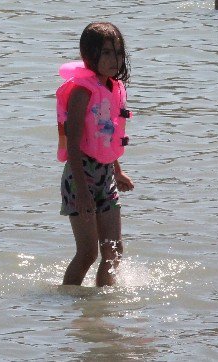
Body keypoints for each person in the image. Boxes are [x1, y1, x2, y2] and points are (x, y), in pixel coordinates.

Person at [58, 21, 135, 287]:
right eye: (106, 53)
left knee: (113, 252)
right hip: (80, 176)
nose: (115, 59)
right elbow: (75, 144)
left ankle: (101, 314)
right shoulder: (81, 92)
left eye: (118, 52)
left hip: (106, 176)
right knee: (88, 253)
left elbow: (106, 135)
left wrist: (117, 170)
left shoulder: (112, 88)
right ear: (89, 56)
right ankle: (68, 302)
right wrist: (81, 189)